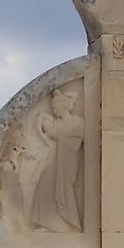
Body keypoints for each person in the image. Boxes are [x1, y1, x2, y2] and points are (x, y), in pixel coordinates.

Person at [28, 89, 85, 232]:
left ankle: (66, 222)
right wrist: (42, 123)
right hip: (55, 162)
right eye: (52, 108)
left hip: (67, 162)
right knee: (45, 188)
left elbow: (57, 133)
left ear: (64, 107)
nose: (54, 110)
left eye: (55, 108)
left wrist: (44, 121)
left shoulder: (78, 122)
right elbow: (49, 133)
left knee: (63, 189)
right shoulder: (59, 124)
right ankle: (50, 223)